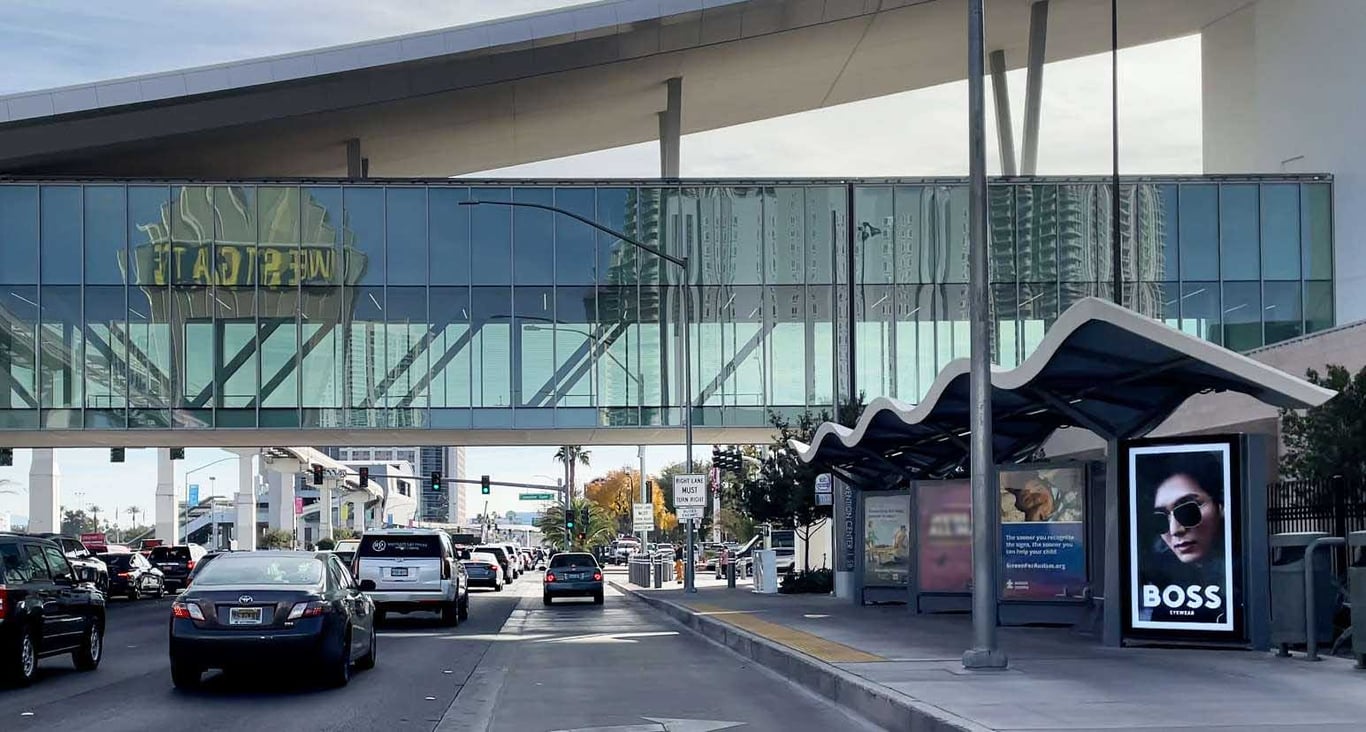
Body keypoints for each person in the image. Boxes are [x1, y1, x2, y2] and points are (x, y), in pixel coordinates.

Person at [1135, 449, 1229, 625]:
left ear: (1221, 506)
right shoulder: (1160, 580)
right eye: (1160, 519)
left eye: (1189, 510)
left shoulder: (1242, 575)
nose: (1175, 530)